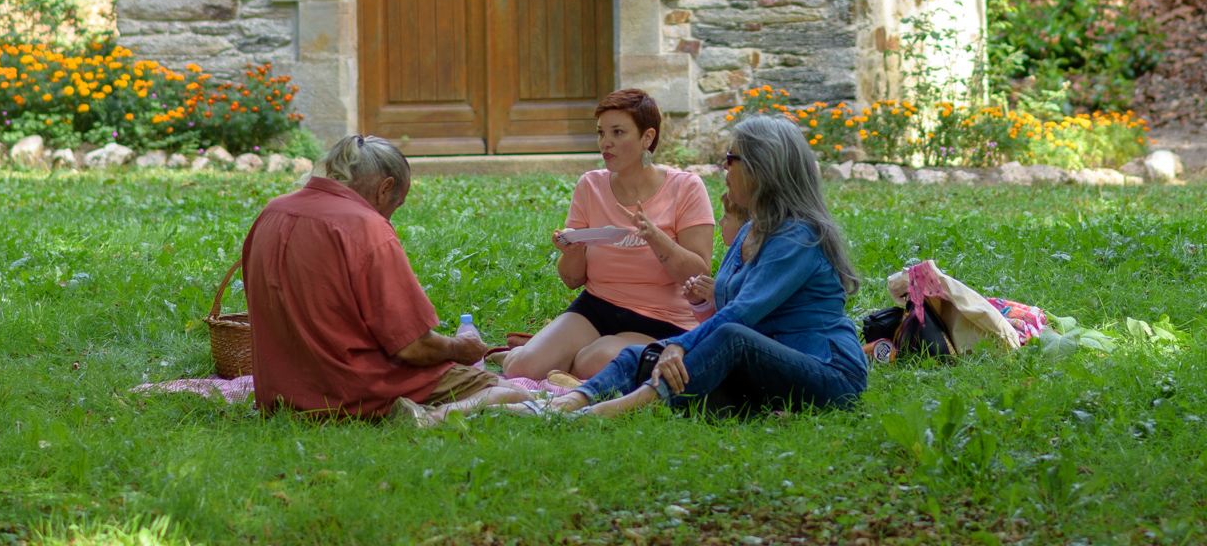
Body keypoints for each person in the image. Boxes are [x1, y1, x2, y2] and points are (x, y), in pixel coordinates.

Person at [543, 113, 867, 419]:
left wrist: (680, 345)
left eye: (730, 160)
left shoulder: (797, 236)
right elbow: (724, 307)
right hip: (765, 368)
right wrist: (672, 346)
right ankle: (565, 403)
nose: (724, 169)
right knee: (648, 353)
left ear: (759, 168)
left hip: (828, 371)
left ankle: (614, 410)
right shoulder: (749, 230)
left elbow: (740, 316)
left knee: (724, 338)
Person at [241, 133, 525, 422]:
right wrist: (460, 348)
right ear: (385, 188)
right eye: (395, 205)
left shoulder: (272, 210)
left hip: (280, 395)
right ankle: (432, 419)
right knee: (511, 392)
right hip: (354, 391)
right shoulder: (367, 226)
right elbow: (413, 347)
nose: (390, 218)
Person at [503, 88, 715, 382]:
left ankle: (569, 361)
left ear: (647, 138)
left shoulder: (687, 187)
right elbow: (572, 280)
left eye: (618, 132)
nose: (606, 143)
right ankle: (546, 356)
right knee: (520, 368)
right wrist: (573, 251)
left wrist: (653, 235)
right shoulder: (590, 185)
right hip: (598, 305)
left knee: (593, 360)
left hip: (662, 319)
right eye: (601, 133)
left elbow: (698, 275)